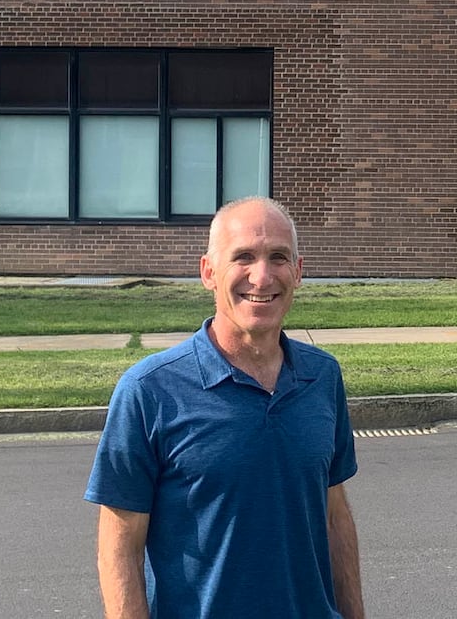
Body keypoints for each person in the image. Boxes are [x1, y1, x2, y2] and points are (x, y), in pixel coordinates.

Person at [85, 196, 365, 619]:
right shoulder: (150, 390)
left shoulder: (322, 378)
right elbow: (119, 544)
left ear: (299, 271)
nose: (262, 275)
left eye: (278, 257)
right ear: (208, 273)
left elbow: (333, 515)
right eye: (243, 257)